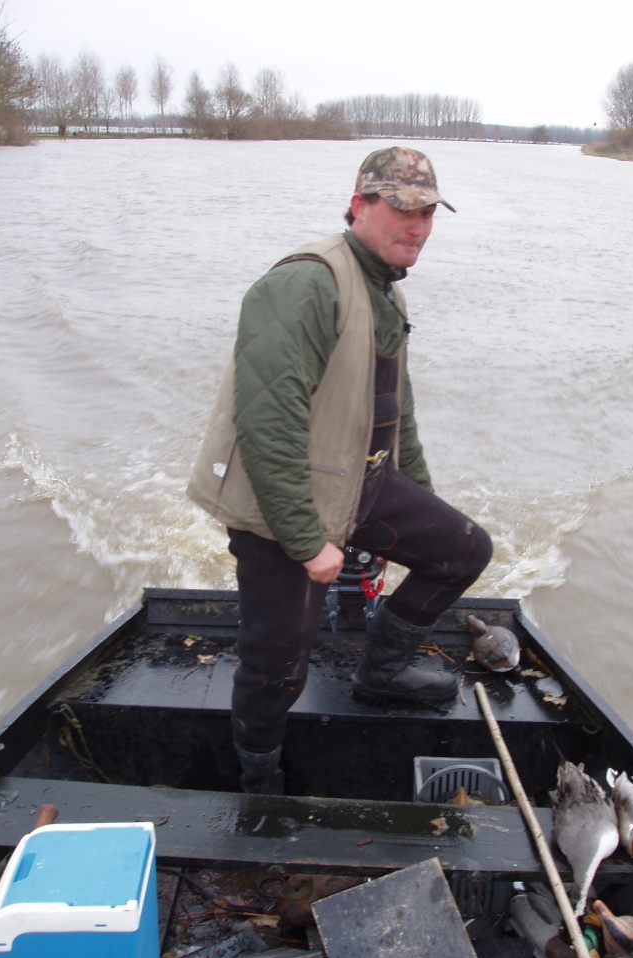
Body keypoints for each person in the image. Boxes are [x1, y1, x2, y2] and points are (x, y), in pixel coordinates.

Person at [187, 146, 493, 794]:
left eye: (428, 213)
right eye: (402, 208)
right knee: (278, 660)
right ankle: (259, 771)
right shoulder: (306, 283)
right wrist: (308, 541)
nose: (416, 225)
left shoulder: (384, 292)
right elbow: (267, 422)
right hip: (282, 508)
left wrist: (418, 513)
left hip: (361, 487)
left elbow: (396, 418)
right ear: (359, 206)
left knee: (463, 550)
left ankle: (381, 671)